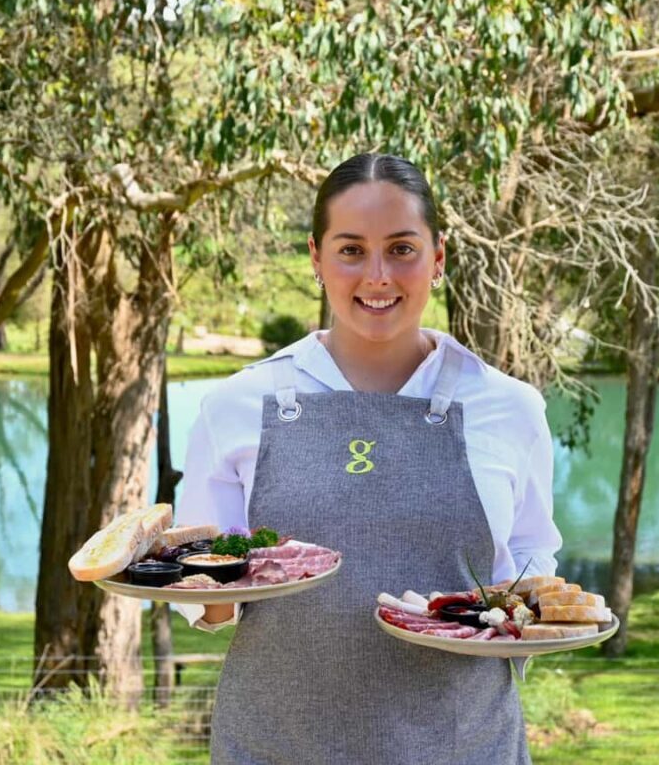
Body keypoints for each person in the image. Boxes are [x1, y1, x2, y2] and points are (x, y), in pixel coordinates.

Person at [175, 153, 562, 765]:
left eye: (402, 249)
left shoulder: (508, 407)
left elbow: (534, 557)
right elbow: (204, 584)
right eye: (351, 250)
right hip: (276, 744)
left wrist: (523, 622)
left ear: (438, 259)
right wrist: (205, 588)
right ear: (315, 258)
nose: (378, 276)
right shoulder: (236, 404)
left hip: (463, 743)